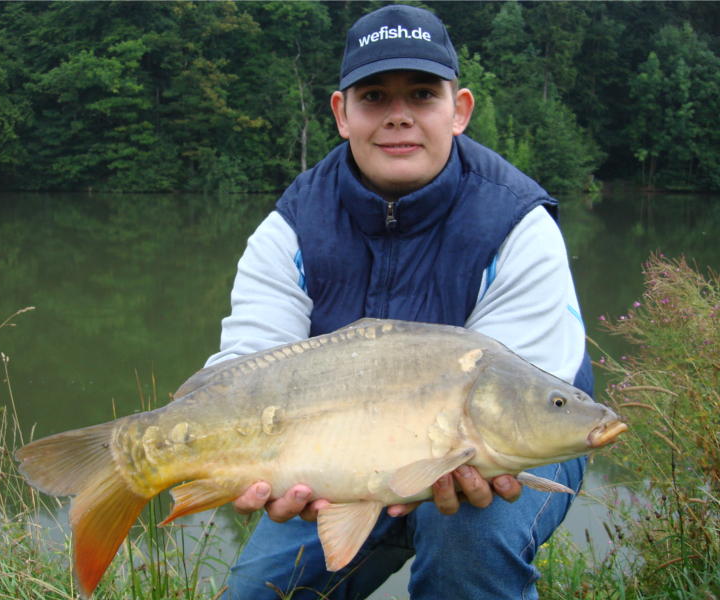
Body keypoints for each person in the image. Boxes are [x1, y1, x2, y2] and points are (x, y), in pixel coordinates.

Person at [202, 4, 593, 599]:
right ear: (342, 113)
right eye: (375, 98)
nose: (399, 117)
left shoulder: (517, 224)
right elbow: (250, 364)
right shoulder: (291, 227)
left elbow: (520, 401)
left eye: (421, 95)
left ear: (458, 110)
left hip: (504, 444)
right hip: (335, 454)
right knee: (256, 592)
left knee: (466, 534)